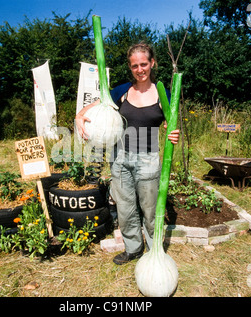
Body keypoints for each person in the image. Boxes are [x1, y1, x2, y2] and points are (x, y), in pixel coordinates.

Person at [75, 43, 179, 265]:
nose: (140, 69)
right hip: (120, 157)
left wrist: (174, 135)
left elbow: (172, 127)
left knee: (150, 209)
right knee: (125, 207)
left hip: (148, 158)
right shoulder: (120, 92)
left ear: (152, 63)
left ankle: (154, 251)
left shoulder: (164, 93)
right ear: (130, 68)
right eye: (135, 66)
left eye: (144, 64)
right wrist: (79, 117)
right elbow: (92, 109)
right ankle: (133, 248)